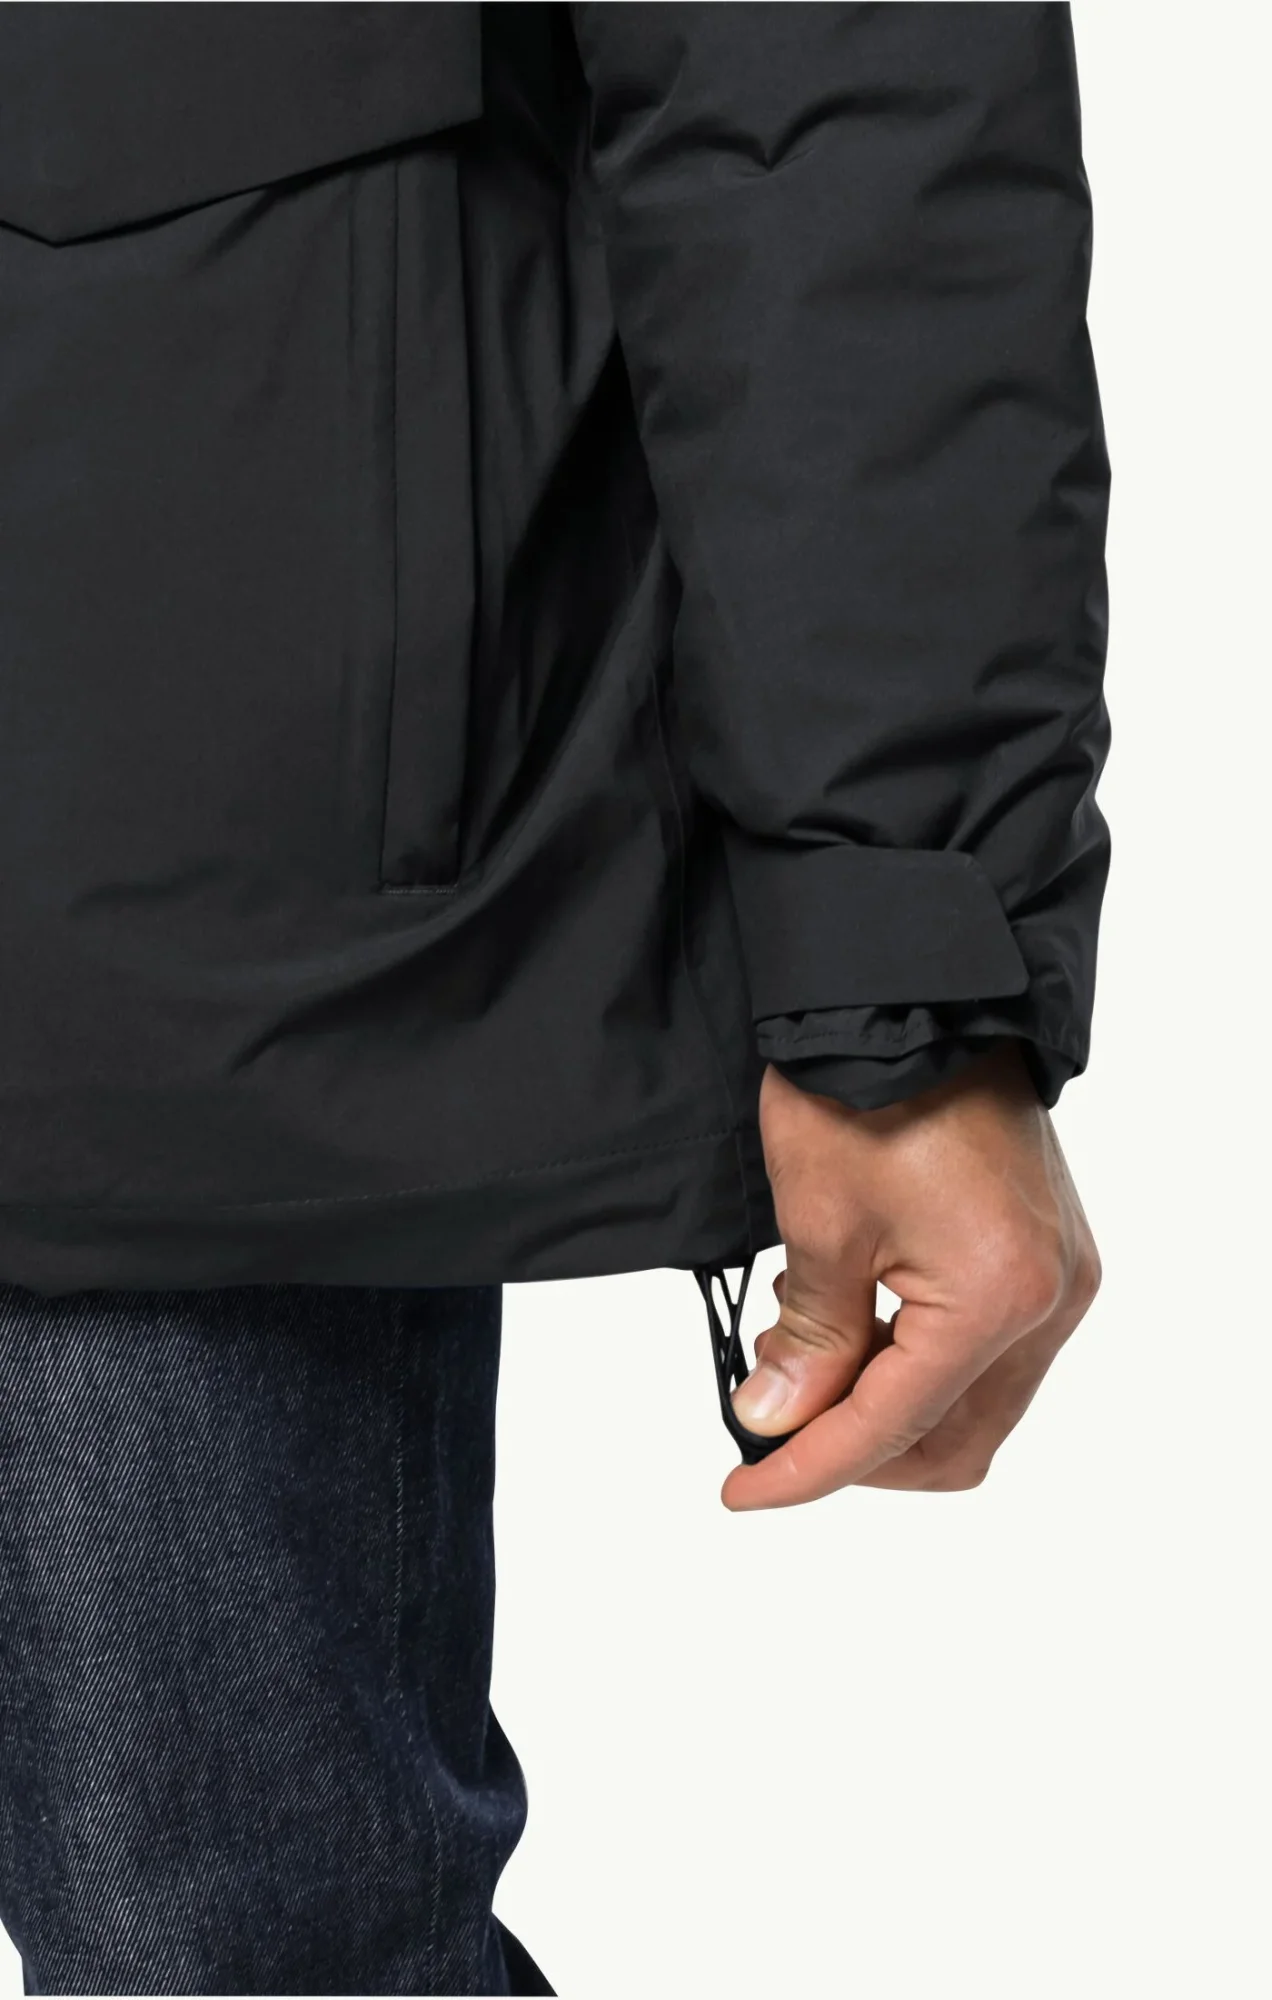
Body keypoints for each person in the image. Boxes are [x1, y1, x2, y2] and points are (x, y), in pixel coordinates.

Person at [0, 5, 1107, 1993]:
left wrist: (903, 961)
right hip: (169, 829)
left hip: (152, 833)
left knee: (233, 1943)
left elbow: (824, 66)